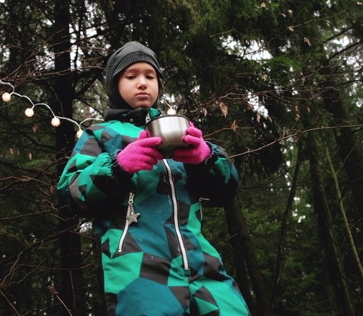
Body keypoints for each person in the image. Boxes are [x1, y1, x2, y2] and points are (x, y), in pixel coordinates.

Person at [57, 41, 250, 315]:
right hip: (137, 268)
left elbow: (227, 189)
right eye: (131, 76)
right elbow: (70, 195)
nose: (142, 83)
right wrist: (118, 165)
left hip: (201, 262)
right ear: (115, 85)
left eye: (150, 76)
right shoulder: (100, 135)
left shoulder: (180, 131)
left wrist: (205, 157)